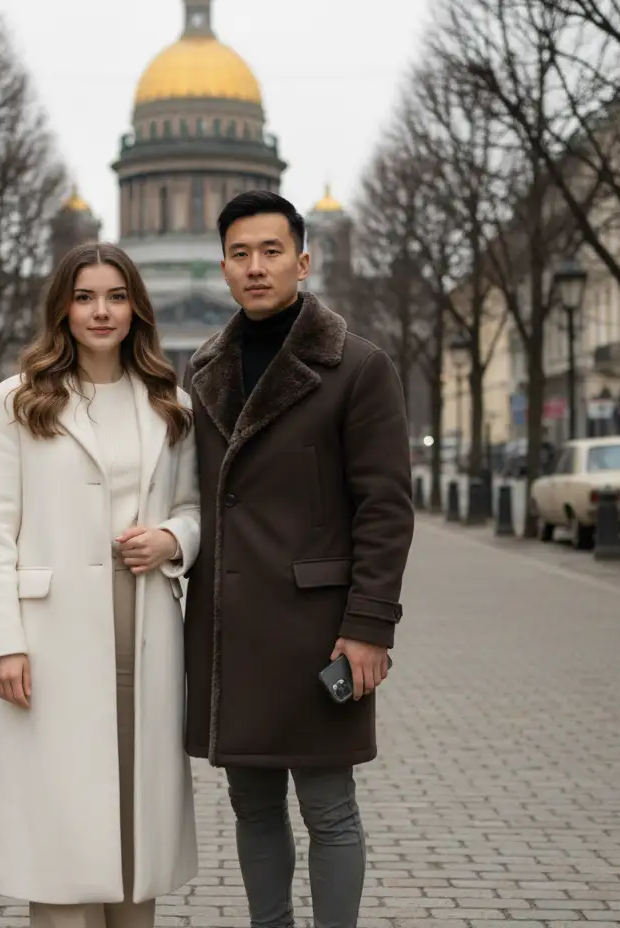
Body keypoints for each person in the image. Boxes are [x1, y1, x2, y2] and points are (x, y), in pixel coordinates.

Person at [181, 191, 415, 928]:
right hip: (232, 628)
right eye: (241, 254)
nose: (256, 267)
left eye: (272, 251)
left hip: (321, 627)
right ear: (223, 267)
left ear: (303, 261)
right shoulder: (202, 370)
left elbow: (385, 507)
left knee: (328, 805)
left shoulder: (358, 367)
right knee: (251, 804)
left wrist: (370, 626)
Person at [0, 242, 201, 928]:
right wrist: (2, 644)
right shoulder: (17, 402)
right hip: (53, 638)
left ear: (137, 308)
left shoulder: (170, 402)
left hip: (146, 628)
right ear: (62, 309)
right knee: (63, 834)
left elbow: (192, 509)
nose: (101, 311)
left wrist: (173, 540)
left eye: (116, 296)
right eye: (85, 297)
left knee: (138, 827)